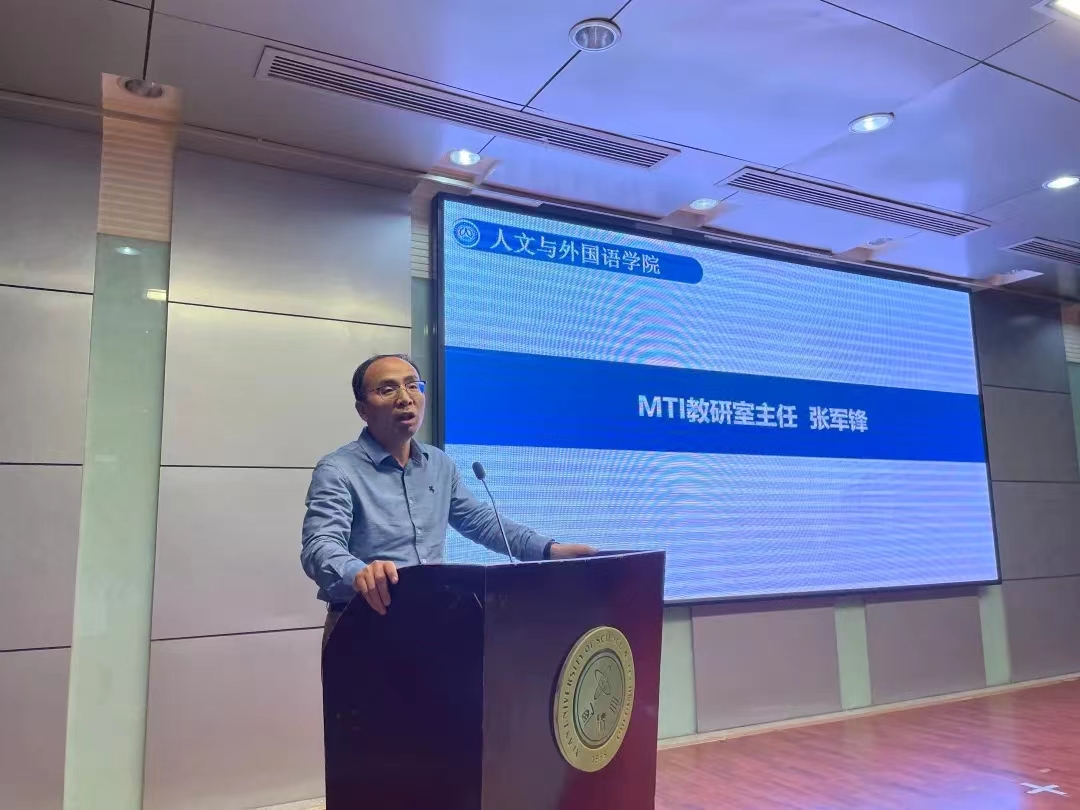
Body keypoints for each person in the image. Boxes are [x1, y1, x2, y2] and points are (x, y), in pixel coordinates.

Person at [301, 353, 595, 643]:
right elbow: (319, 546)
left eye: (413, 385)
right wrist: (361, 574)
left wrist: (548, 550)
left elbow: (481, 522)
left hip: (431, 622)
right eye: (388, 389)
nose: (405, 398)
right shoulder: (338, 469)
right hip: (363, 625)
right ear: (363, 410)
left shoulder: (439, 464)